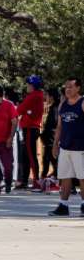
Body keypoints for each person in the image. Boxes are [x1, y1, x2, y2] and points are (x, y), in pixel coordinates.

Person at [48, 77, 84, 217]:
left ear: (78, 88)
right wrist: (55, 144)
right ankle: (63, 206)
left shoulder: (82, 103)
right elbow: (59, 127)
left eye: (71, 87)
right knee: (65, 177)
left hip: (80, 148)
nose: (67, 89)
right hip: (65, 147)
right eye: (66, 87)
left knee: (82, 177)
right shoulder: (63, 104)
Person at [15, 75, 45, 190]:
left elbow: (20, 109)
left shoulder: (33, 96)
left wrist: (26, 112)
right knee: (26, 155)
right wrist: (27, 111)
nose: (27, 86)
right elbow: (25, 110)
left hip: (30, 128)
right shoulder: (36, 96)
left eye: (28, 84)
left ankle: (36, 180)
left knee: (30, 155)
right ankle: (25, 180)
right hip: (30, 128)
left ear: (33, 86)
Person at [41, 87, 61, 180]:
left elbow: (54, 125)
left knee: (50, 159)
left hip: (51, 139)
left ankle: (44, 179)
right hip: (50, 138)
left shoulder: (55, 109)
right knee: (49, 159)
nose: (45, 98)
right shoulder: (53, 107)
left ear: (52, 97)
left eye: (47, 95)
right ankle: (46, 178)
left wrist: (45, 135)